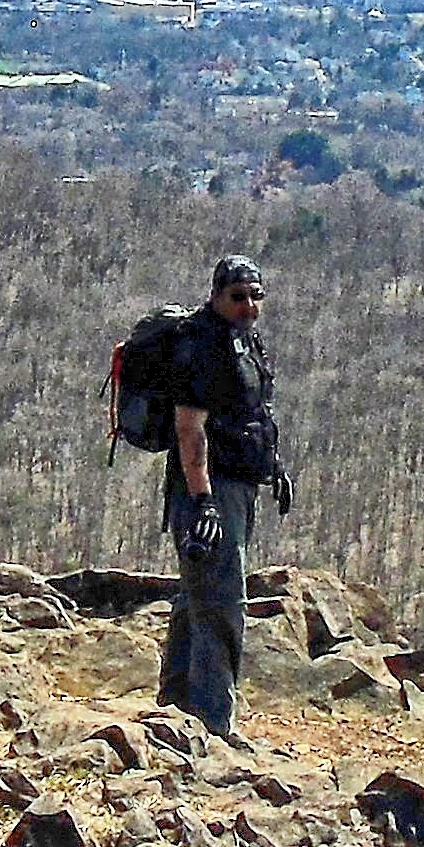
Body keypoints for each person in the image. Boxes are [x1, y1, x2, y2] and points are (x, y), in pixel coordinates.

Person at [157, 254, 285, 737]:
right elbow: (190, 430)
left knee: (199, 597)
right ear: (216, 295)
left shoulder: (245, 342)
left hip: (241, 484)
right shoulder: (202, 346)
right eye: (238, 297)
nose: (248, 306)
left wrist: (274, 467)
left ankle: (174, 706)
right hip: (208, 490)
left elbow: (252, 412)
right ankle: (213, 725)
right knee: (223, 601)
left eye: (255, 296)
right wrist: (202, 500)